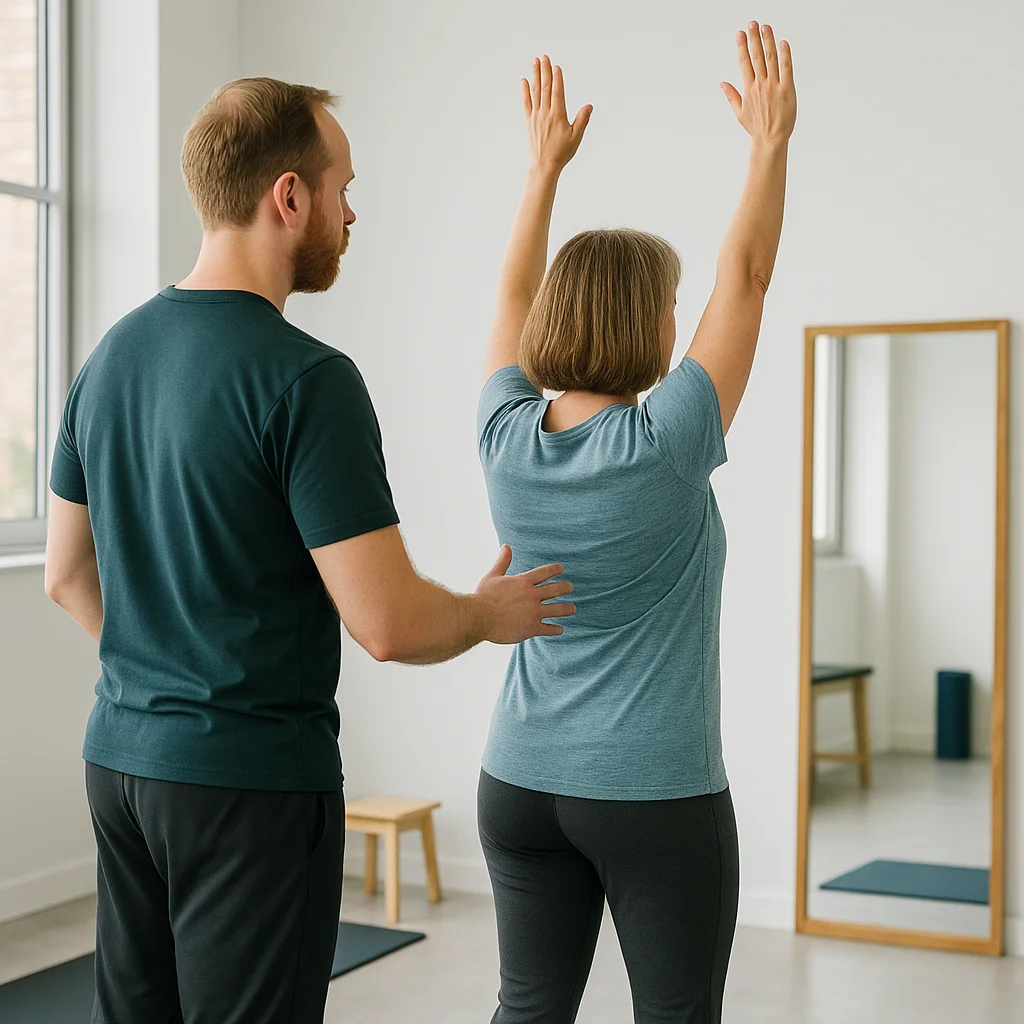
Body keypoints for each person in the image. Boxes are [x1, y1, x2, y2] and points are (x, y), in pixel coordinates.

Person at [43, 78, 574, 1024]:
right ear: (288, 196)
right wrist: (487, 614)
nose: (351, 213)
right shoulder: (308, 381)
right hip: (249, 786)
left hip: (121, 765)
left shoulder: (107, 359)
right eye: (343, 189)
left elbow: (65, 575)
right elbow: (388, 623)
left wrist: (165, 674)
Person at [476, 24, 796, 1024]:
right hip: (653, 794)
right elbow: (745, 280)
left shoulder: (504, 435)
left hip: (519, 781)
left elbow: (510, 295)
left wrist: (541, 172)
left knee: (527, 1009)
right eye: (667, 307)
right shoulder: (666, 441)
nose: (676, 323)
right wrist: (769, 145)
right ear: (644, 324)